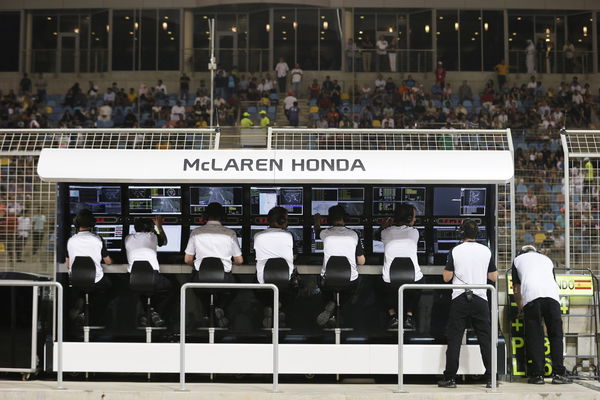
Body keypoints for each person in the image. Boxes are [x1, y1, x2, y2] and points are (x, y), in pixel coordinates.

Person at [438, 219, 497, 389]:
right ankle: (490, 378)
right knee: (485, 339)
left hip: (460, 299)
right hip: (480, 298)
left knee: (454, 338)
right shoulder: (486, 250)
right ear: (477, 233)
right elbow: (493, 277)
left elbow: (446, 277)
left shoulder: (455, 250)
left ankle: (450, 378)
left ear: (461, 233)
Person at [512, 245, 573, 385]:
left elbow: (516, 288)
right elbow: (552, 280)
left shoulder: (517, 260)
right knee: (556, 335)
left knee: (535, 336)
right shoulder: (547, 259)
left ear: (521, 252)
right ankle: (559, 374)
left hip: (532, 297)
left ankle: (537, 375)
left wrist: (520, 307)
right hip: (552, 297)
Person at [184, 202, 243, 327]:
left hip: (200, 279)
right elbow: (239, 261)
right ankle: (219, 307)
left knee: (199, 288)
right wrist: (228, 260)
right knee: (236, 286)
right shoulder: (230, 233)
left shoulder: (196, 232)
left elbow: (187, 259)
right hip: (224, 280)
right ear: (223, 216)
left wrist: (199, 261)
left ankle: (207, 312)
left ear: (205, 216)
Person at [313, 205, 365, 327]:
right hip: (349, 282)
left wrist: (317, 219)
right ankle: (335, 308)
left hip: (328, 280)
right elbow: (361, 261)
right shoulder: (354, 234)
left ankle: (332, 307)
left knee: (323, 283)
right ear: (345, 218)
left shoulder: (324, 233)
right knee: (351, 286)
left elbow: (316, 230)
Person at [376, 204, 424, 329]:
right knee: (420, 284)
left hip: (390, 282)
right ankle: (409, 316)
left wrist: (385, 226)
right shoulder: (415, 233)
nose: (415, 220)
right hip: (413, 280)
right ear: (409, 219)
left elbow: (376, 236)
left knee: (379, 283)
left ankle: (392, 316)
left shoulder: (385, 232)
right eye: (414, 217)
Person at [253, 206, 299, 328]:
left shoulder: (258, 236)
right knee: (294, 283)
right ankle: (280, 308)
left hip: (263, 283)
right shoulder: (289, 236)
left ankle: (268, 306)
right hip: (286, 283)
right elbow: (294, 256)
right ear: (283, 221)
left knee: (256, 280)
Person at [66, 209, 113, 322]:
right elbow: (108, 262)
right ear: (92, 223)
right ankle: (97, 315)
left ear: (76, 223)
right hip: (96, 281)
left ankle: (82, 308)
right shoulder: (98, 239)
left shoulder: (71, 240)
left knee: (82, 289)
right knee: (111, 286)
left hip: (76, 280)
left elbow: (68, 264)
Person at [125, 216, 171, 326]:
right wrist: (158, 226)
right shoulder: (153, 236)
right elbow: (164, 241)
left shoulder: (127, 238)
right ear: (150, 228)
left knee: (142, 292)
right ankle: (155, 312)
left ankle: (147, 313)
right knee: (171, 289)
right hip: (153, 278)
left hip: (133, 279)